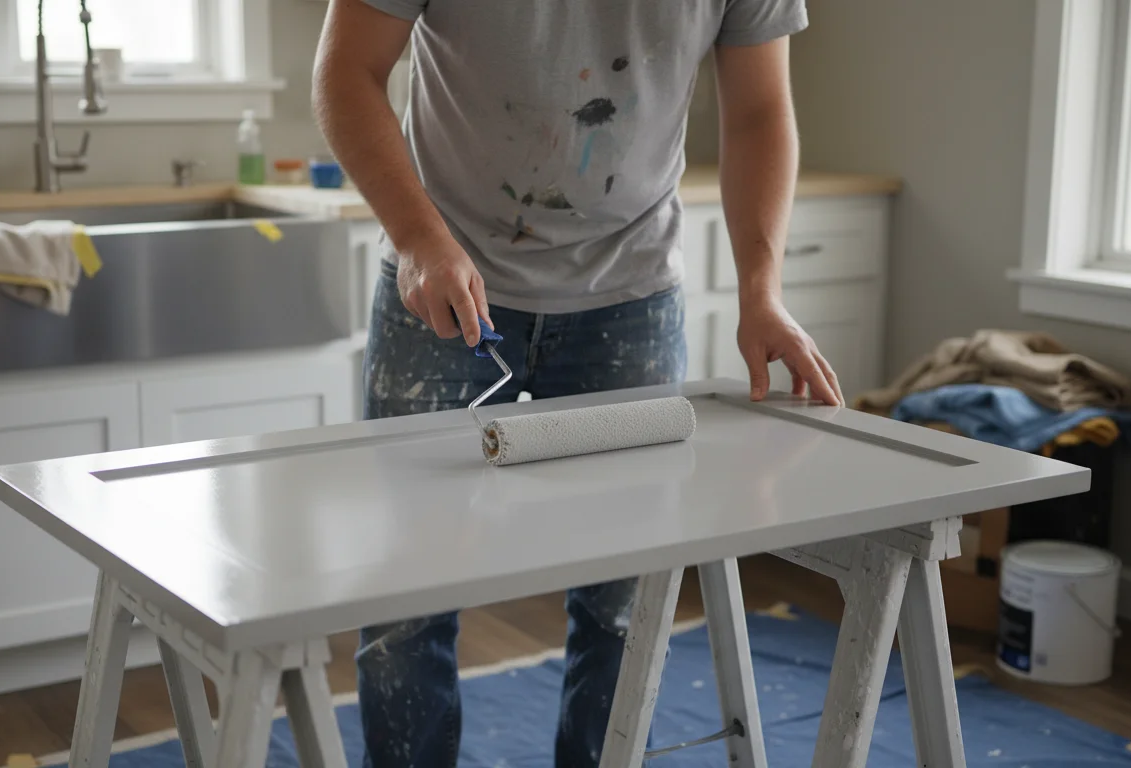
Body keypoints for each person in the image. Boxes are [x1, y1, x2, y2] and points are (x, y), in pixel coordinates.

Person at [312, 0, 843, 764]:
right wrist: (420, 240)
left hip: (629, 297)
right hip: (443, 284)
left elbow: (759, 113)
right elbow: (346, 72)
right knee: (406, 605)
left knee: (624, 604)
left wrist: (761, 289)